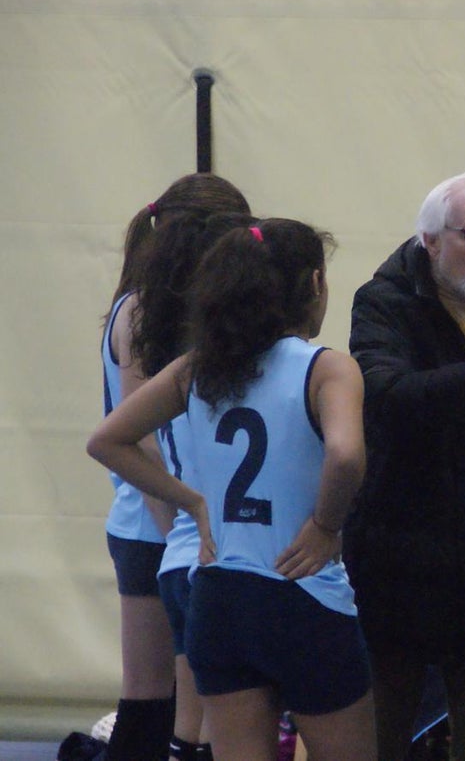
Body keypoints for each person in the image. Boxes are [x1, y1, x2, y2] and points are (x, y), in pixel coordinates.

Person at [89, 218, 376, 761]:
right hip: (302, 593)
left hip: (219, 598)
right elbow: (345, 453)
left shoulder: (198, 368)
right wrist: (325, 525)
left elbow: (107, 440)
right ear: (314, 285)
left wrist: (191, 501)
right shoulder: (327, 367)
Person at [344, 171, 465, 760]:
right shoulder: (381, 300)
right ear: (431, 242)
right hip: (397, 540)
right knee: (385, 716)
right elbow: (386, 399)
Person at [99, 173, 249, 761]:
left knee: (183, 702)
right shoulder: (141, 312)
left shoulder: (182, 308)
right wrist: (184, 538)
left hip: (176, 525)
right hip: (155, 525)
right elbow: (146, 442)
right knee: (162, 702)